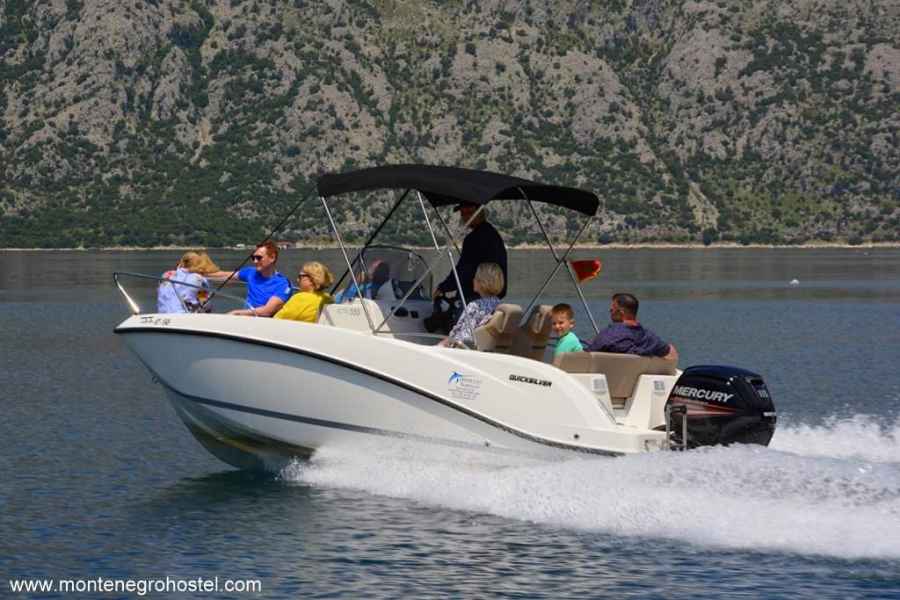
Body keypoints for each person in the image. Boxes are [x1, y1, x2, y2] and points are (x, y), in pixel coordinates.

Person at [434, 202, 507, 304]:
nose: (465, 217)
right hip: (493, 297)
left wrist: (442, 288)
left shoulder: (474, 239)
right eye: (463, 213)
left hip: (475, 297)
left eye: (469, 212)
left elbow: (464, 269)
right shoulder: (493, 234)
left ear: (479, 212)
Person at [206, 241, 293, 317]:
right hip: (246, 318)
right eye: (253, 258)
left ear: (272, 258)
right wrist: (201, 273)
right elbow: (225, 275)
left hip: (264, 323)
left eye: (259, 258)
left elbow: (267, 311)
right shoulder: (251, 272)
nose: (255, 261)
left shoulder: (283, 284)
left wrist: (237, 313)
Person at [585, 293, 678, 359]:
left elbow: (588, 354)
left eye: (612, 310)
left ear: (621, 313)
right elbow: (672, 353)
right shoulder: (649, 337)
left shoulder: (608, 335)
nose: (610, 311)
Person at [439, 263, 504, 348]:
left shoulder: (475, 306)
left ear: (482, 282)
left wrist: (442, 344)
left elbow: (464, 337)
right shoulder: (500, 306)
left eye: (476, 277)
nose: (473, 279)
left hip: (462, 351)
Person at [157, 251, 221, 313]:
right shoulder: (199, 279)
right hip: (183, 317)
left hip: (163, 314)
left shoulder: (166, 275)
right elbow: (206, 305)